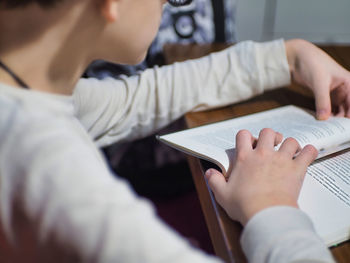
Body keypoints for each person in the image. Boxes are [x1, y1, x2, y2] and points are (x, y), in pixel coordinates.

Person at [0, 0, 349, 262]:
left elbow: (131, 100)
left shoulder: (24, 92)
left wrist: (287, 58)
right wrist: (271, 206)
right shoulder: (53, 177)